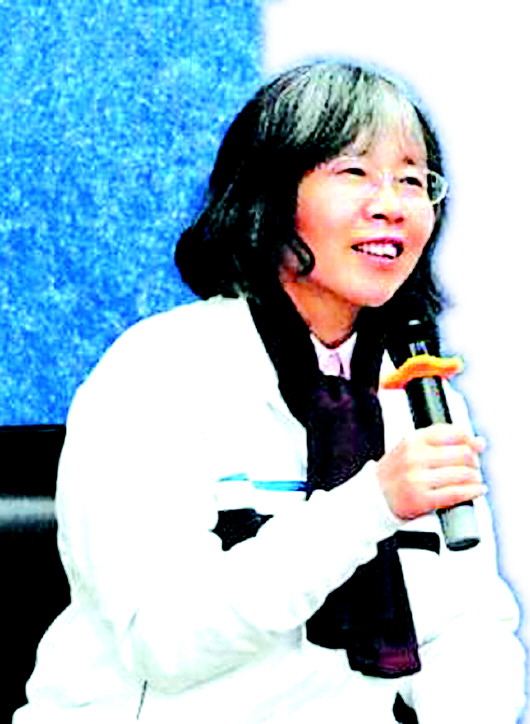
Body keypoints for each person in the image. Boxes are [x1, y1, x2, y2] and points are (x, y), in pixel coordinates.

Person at [15, 62, 525, 723]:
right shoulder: (157, 371)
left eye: (411, 179)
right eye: (354, 172)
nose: (392, 205)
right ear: (269, 196)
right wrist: (371, 504)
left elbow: (469, 626)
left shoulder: (416, 392)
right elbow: (165, 641)